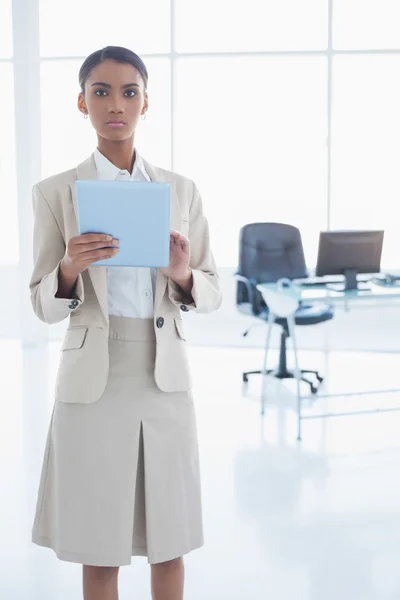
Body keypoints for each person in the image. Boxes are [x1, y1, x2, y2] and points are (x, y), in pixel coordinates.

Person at [29, 45, 222, 600]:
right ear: (82, 103)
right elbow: (41, 306)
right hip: (92, 380)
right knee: (99, 547)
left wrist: (183, 274)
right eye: (102, 91)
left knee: (170, 542)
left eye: (129, 92)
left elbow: (211, 293)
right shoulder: (54, 194)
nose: (116, 104)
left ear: (146, 103)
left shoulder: (181, 191)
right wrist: (70, 267)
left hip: (164, 378)